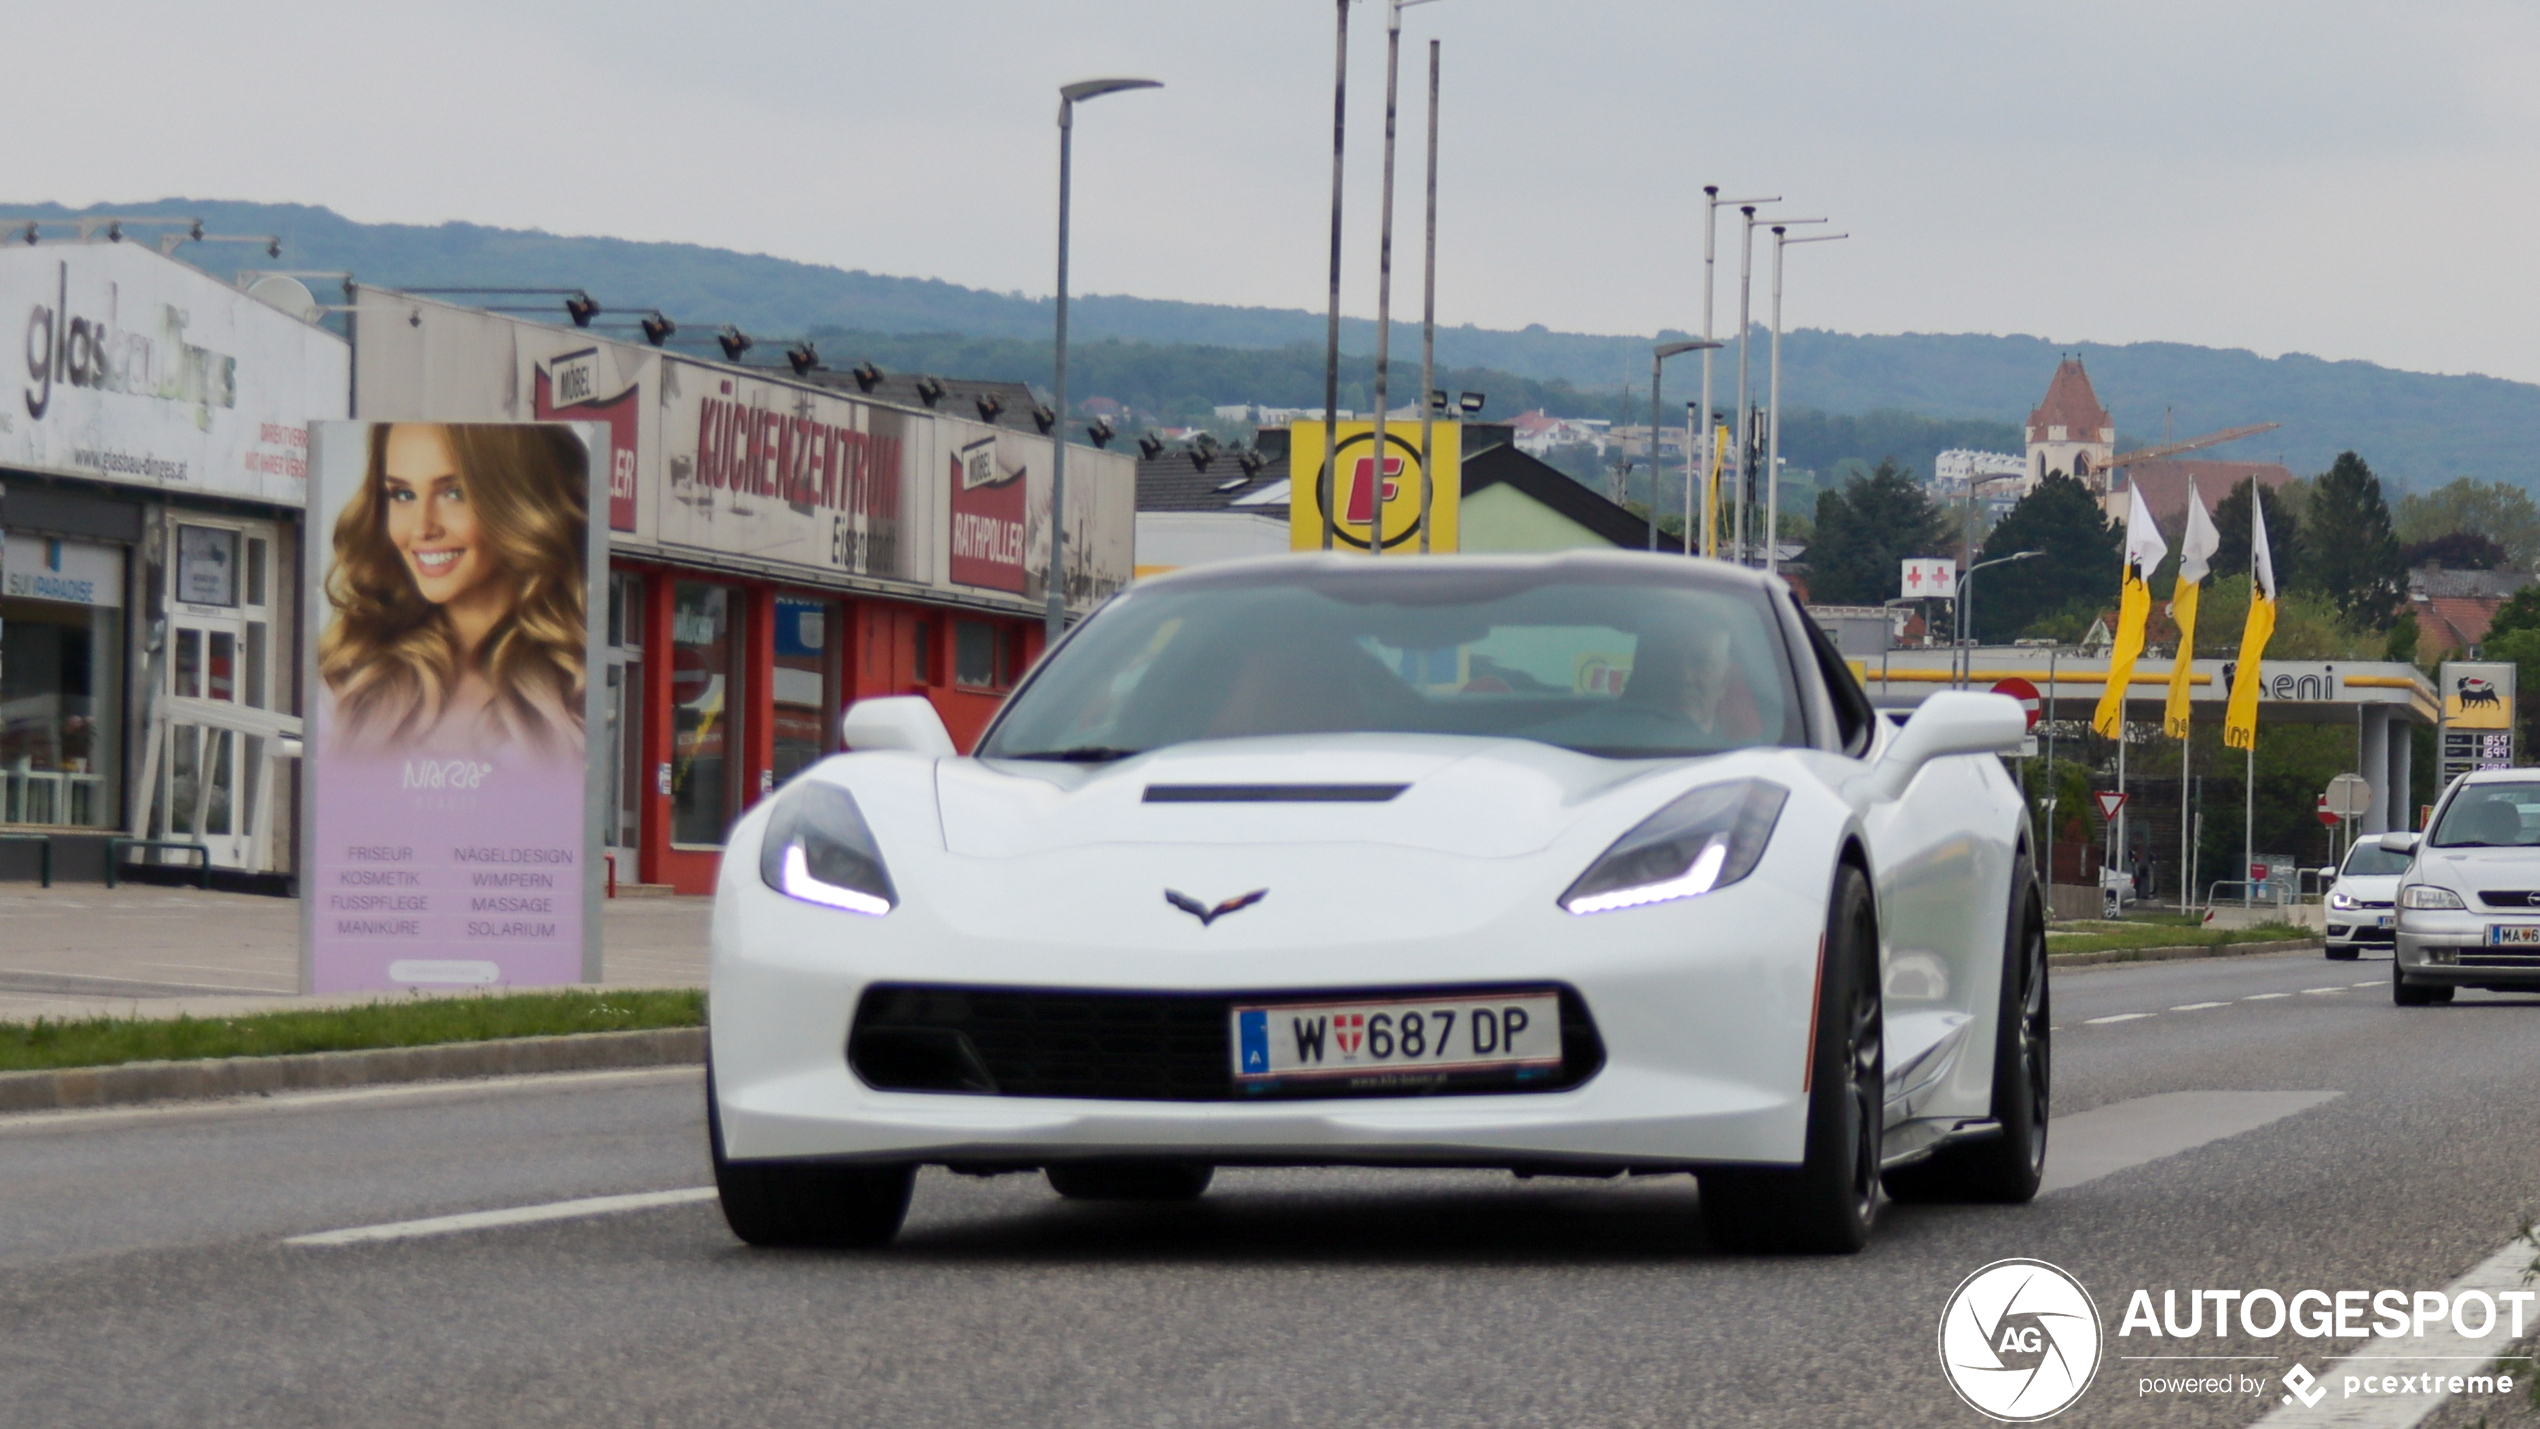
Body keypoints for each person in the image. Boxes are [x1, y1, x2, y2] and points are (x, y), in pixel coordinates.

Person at [317, 423, 588, 758]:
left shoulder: (581, 675)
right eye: (403, 495)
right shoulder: (350, 676)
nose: (422, 528)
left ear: (519, 503)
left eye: (454, 493)